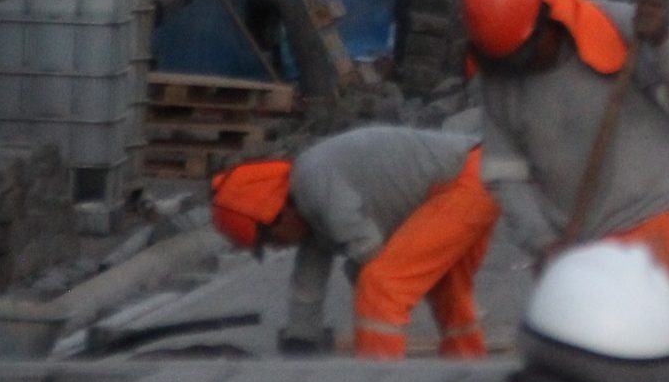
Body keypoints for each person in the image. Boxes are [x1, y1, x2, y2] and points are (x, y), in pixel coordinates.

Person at [458, 0, 669, 307]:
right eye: (504, 61)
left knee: (646, 356)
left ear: (550, 18)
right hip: (569, 250)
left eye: (524, 54)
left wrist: (665, 45)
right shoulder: (500, 74)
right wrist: (542, 242)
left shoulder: (624, 32)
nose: (517, 69)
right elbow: (505, 174)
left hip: (649, 230)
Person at [210, 126, 498, 359]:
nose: (278, 248)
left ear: (280, 216)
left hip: (464, 182)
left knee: (379, 284)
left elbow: (366, 245)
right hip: (475, 173)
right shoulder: (310, 210)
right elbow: (307, 282)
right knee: (447, 287)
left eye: (270, 241)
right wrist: (301, 339)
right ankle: (467, 366)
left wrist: (361, 277)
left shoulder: (313, 181)